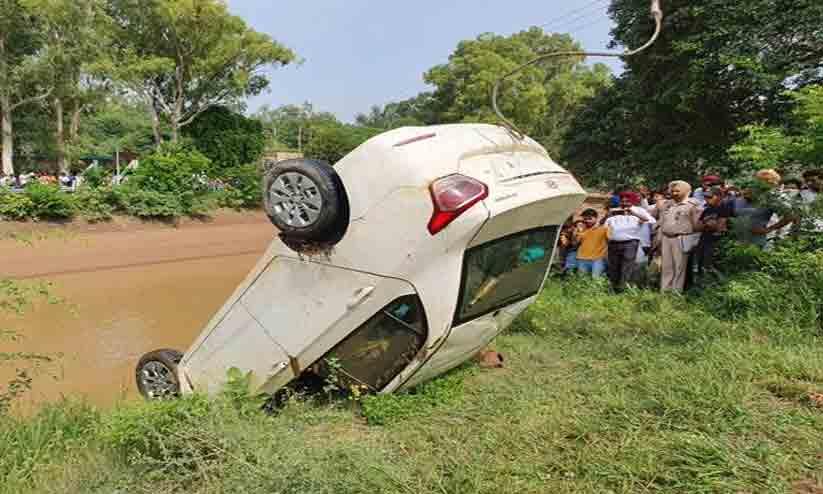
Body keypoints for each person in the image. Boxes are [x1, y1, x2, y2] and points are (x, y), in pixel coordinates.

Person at [654, 181, 701, 293]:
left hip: (680, 238)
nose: (674, 193)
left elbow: (696, 225)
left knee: (679, 267)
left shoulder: (692, 205)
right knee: (666, 266)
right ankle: (665, 291)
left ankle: (676, 292)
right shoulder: (667, 204)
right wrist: (658, 239)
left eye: (677, 191)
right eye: (672, 191)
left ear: (685, 192)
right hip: (666, 238)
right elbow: (661, 221)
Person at [605, 192, 655, 292]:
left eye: (627, 201)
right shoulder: (614, 213)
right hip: (614, 243)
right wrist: (610, 214)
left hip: (630, 243)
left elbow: (651, 221)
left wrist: (633, 212)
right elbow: (605, 227)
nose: (624, 203)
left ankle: (624, 289)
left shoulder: (638, 212)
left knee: (627, 267)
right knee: (614, 267)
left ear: (632, 201)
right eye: (622, 201)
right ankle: (613, 289)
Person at [695, 186, 732, 281]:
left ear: (719, 196)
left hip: (716, 242)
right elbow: (697, 227)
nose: (707, 199)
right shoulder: (707, 210)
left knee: (712, 266)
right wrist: (707, 224)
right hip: (703, 240)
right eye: (706, 197)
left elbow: (719, 227)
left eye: (710, 197)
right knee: (700, 265)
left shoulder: (724, 208)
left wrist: (707, 224)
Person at [573, 208, 609, 278]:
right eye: (585, 219)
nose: (587, 221)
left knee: (596, 280)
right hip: (582, 259)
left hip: (597, 259)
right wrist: (577, 232)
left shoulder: (604, 229)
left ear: (596, 218)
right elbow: (575, 243)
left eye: (590, 218)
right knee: (582, 281)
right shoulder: (582, 230)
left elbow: (611, 240)